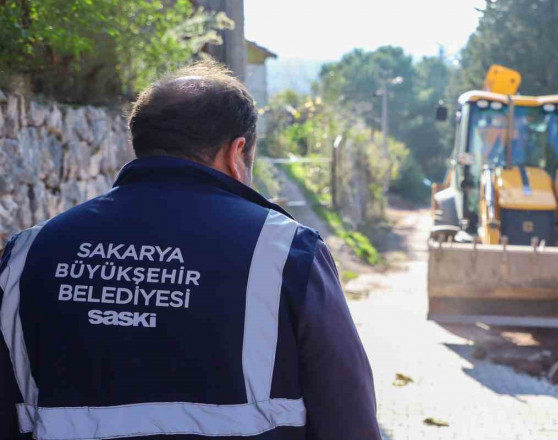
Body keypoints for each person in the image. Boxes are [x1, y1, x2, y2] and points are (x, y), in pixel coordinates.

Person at [0, 62, 381, 440]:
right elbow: (348, 416)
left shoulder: (27, 254)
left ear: (141, 146)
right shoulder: (286, 252)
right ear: (237, 152)